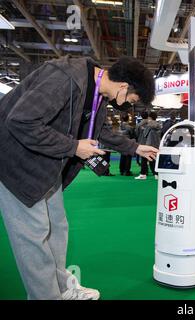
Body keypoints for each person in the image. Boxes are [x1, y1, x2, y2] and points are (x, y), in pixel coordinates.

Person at [0, 56, 158, 300]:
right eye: (131, 100)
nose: (127, 105)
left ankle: (62, 289)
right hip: (15, 165)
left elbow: (100, 130)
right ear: (124, 87)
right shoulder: (65, 78)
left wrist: (135, 148)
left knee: (57, 228)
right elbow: (21, 121)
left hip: (47, 164)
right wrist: (73, 147)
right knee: (34, 237)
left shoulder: (97, 91)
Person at [135, 111, 161, 180]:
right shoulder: (158, 124)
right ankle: (156, 174)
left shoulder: (148, 125)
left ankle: (143, 174)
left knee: (144, 159)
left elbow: (145, 134)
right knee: (153, 159)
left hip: (148, 144)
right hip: (156, 144)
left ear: (150, 117)